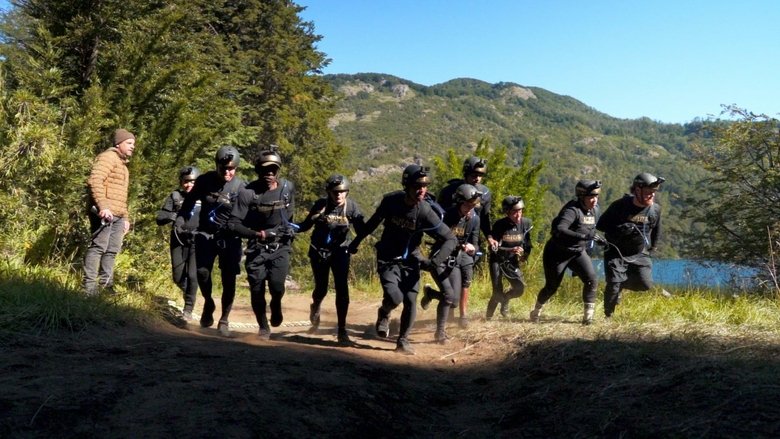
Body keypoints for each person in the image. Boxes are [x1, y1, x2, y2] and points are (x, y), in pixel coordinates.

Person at [348, 164, 458, 355]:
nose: (422, 190)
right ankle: (384, 312)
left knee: (410, 300)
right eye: (417, 186)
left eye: (425, 186)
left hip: (411, 260)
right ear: (406, 186)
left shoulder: (425, 211)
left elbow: (450, 238)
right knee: (394, 297)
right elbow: (372, 224)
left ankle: (403, 340)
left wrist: (433, 263)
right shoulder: (391, 201)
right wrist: (355, 242)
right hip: (387, 257)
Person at [176, 146, 245, 336]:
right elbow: (188, 203)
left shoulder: (241, 187)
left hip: (230, 238)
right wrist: (180, 221)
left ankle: (224, 319)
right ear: (217, 166)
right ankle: (208, 301)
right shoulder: (204, 181)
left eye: (231, 169)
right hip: (205, 234)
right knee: (202, 272)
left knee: (228, 278)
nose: (227, 172)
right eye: (224, 168)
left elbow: (248, 215)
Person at [228, 146, 295, 340]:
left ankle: (276, 303)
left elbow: (290, 214)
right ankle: (263, 327)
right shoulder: (247, 193)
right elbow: (233, 224)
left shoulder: (287, 188)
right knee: (256, 289)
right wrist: (258, 234)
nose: (270, 174)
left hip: (280, 247)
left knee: (277, 286)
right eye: (265, 170)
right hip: (256, 247)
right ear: (258, 170)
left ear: (278, 170)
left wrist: (287, 230)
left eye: (273, 170)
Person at [296, 174, 365, 345]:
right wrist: (290, 227)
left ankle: (342, 330)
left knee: (342, 289)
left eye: (342, 191)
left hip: (340, 252)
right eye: (335, 192)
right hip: (319, 252)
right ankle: (316, 305)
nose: (339, 195)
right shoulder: (321, 205)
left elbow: (362, 230)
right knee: (321, 288)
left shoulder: (351, 207)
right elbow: (305, 226)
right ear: (329, 192)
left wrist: (355, 244)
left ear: (347, 192)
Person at [530, 180, 606, 325]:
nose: (594, 200)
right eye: (591, 197)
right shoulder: (572, 210)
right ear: (581, 196)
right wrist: (583, 236)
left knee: (591, 280)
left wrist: (598, 239)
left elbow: (589, 229)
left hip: (577, 252)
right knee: (551, 287)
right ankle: (536, 311)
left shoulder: (595, 210)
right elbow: (561, 229)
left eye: (596, 196)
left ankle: (588, 318)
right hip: (557, 253)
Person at [436, 156, 495, 327]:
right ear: (466, 173)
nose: (477, 178)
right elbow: (438, 217)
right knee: (450, 277)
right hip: (449, 239)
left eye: (480, 175)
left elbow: (485, 218)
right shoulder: (449, 191)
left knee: (466, 277)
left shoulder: (485, 193)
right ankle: (449, 308)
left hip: (470, 239)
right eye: (473, 174)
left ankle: (462, 315)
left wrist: (489, 236)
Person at [596, 173, 664, 319]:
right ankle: (608, 316)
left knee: (645, 285)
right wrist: (619, 228)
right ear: (637, 190)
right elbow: (600, 225)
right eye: (648, 192)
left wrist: (653, 247)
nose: (652, 195)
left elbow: (657, 229)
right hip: (616, 251)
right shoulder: (619, 206)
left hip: (639, 252)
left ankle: (621, 284)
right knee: (613, 284)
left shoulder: (655, 209)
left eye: (654, 192)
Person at [420, 183, 481, 344]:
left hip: (455, 260)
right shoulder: (446, 215)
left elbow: (476, 244)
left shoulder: (475, 219)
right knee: (448, 295)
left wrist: (472, 248)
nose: (470, 208)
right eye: (467, 205)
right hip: (439, 258)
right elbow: (436, 235)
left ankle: (431, 294)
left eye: (473, 205)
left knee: (453, 301)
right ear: (459, 202)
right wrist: (459, 244)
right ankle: (440, 333)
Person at [83, 129, 135, 296]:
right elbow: (95, 180)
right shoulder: (107, 158)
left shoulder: (123, 165)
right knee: (98, 247)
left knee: (112, 250)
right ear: (118, 143)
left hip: (118, 215)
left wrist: (125, 217)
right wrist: (103, 206)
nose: (132, 146)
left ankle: (106, 287)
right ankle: (89, 288)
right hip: (104, 213)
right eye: (129, 143)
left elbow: (121, 195)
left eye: (133, 144)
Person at [156, 166, 201, 320]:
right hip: (178, 240)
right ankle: (189, 293)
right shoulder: (175, 196)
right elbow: (160, 217)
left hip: (198, 241)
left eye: (193, 182)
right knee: (178, 277)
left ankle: (188, 309)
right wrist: (172, 216)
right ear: (181, 182)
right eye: (186, 181)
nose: (189, 185)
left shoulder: (205, 197)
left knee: (193, 275)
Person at [486, 195, 533, 319]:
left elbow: (528, 243)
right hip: (497, 260)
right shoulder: (499, 225)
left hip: (512, 261)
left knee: (519, 288)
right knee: (497, 291)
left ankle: (506, 299)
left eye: (520, 211)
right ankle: (488, 317)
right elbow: (493, 248)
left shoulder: (526, 223)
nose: (518, 215)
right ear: (507, 212)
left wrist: (525, 255)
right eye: (514, 212)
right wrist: (509, 249)